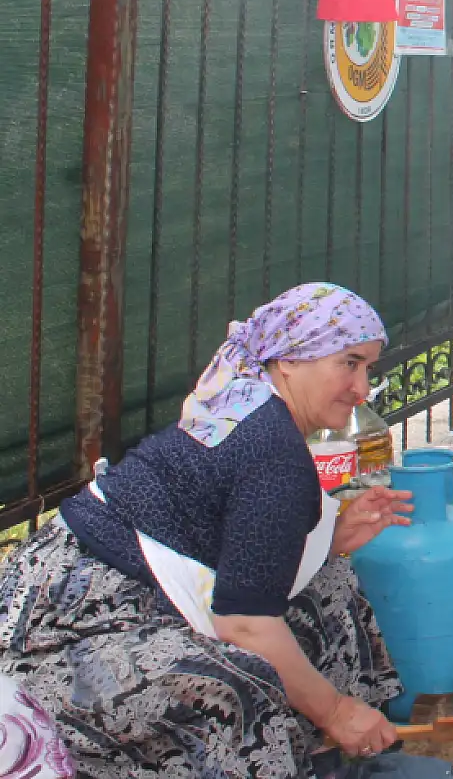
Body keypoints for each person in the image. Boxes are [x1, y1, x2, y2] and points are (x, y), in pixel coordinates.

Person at [0, 283, 413, 775]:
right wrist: (336, 710)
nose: (362, 388)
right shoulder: (271, 449)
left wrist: (332, 540)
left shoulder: (251, 400)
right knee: (228, 689)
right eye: (349, 363)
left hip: (117, 588)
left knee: (329, 589)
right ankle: (322, 738)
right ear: (289, 360)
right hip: (61, 630)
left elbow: (239, 543)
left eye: (368, 368)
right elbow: (244, 624)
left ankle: (329, 758)